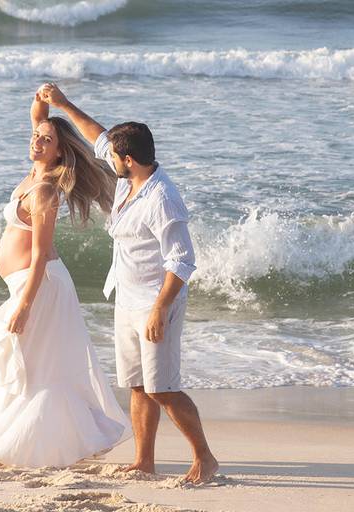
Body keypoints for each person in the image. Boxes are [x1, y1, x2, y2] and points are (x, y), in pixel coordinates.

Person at [37, 82, 219, 483]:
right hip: (127, 296)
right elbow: (98, 136)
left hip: (157, 303)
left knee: (163, 389)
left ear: (130, 159)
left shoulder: (162, 199)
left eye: (116, 157)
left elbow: (183, 261)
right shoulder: (128, 179)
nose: (109, 160)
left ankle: (205, 457)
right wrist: (63, 105)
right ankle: (144, 460)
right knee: (137, 386)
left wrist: (160, 309)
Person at [0, 88, 132, 468]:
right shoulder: (32, 173)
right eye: (35, 137)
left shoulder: (44, 191)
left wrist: (24, 306)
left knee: (41, 370)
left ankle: (47, 446)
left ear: (59, 151)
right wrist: (46, 97)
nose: (37, 142)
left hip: (41, 287)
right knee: (29, 365)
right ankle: (41, 441)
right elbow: (38, 115)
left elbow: (41, 254)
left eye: (46, 140)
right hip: (26, 284)